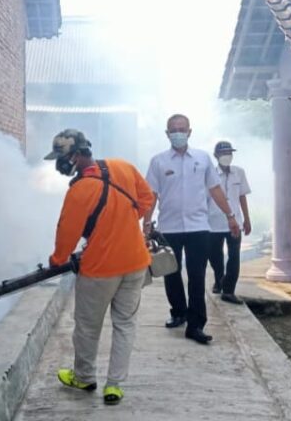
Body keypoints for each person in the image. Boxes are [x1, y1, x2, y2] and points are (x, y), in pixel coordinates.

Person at [44, 128, 154, 406]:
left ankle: (83, 377)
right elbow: (146, 199)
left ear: (79, 154)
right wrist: (125, 223)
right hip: (136, 262)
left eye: (64, 158)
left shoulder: (80, 190)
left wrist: (57, 260)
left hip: (100, 270)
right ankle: (114, 386)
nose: (61, 164)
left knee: (87, 327)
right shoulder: (123, 166)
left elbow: (66, 233)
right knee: (125, 325)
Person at [143, 114, 240, 345]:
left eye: (182, 129)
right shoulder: (158, 161)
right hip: (170, 227)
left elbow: (215, 189)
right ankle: (178, 312)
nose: (178, 133)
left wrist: (230, 216)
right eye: (173, 129)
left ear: (189, 132)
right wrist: (146, 224)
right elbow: (151, 195)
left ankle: (196, 325)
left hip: (198, 227)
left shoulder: (203, 158)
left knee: (197, 276)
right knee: (171, 273)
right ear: (167, 134)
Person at [207, 141, 252, 304]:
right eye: (223, 153)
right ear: (216, 156)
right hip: (213, 222)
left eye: (229, 153)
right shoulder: (209, 173)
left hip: (235, 222)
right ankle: (220, 280)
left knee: (234, 255)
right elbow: (204, 198)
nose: (227, 156)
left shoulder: (239, 172)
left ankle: (229, 290)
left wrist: (247, 219)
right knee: (214, 256)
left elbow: (242, 196)